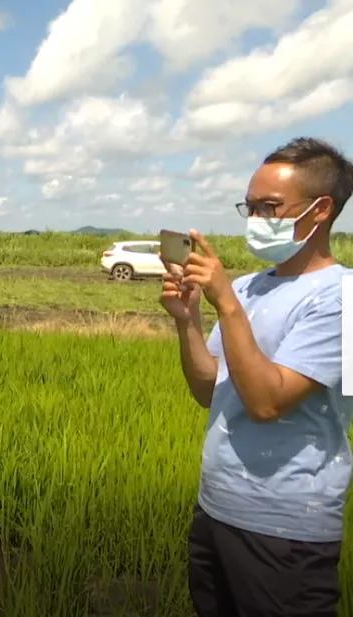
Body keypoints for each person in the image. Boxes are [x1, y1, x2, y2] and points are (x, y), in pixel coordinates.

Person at [160, 137, 353, 617]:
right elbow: (210, 390)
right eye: (249, 209)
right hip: (216, 509)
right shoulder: (249, 287)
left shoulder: (341, 297)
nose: (257, 221)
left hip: (286, 527)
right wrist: (187, 320)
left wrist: (224, 303)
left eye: (270, 208)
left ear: (321, 209)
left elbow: (268, 402)